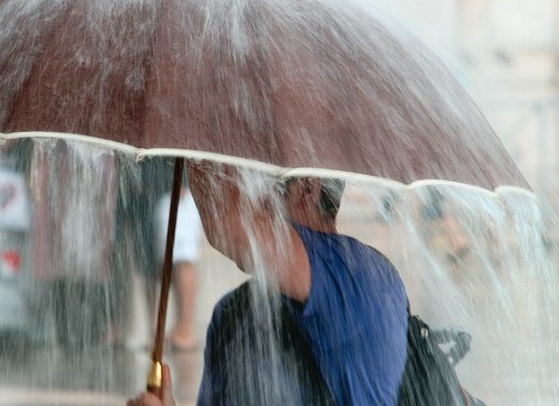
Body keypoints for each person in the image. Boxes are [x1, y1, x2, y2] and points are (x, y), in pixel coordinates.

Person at [128, 162, 409, 405]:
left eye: (253, 180)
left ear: (308, 187)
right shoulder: (232, 311)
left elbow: (228, 222)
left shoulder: (364, 276)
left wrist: (191, 121)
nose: (246, 194)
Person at [155, 185, 204, 352]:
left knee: (183, 257)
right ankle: (180, 328)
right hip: (160, 188)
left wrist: (183, 181)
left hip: (177, 187)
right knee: (174, 260)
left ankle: (185, 331)